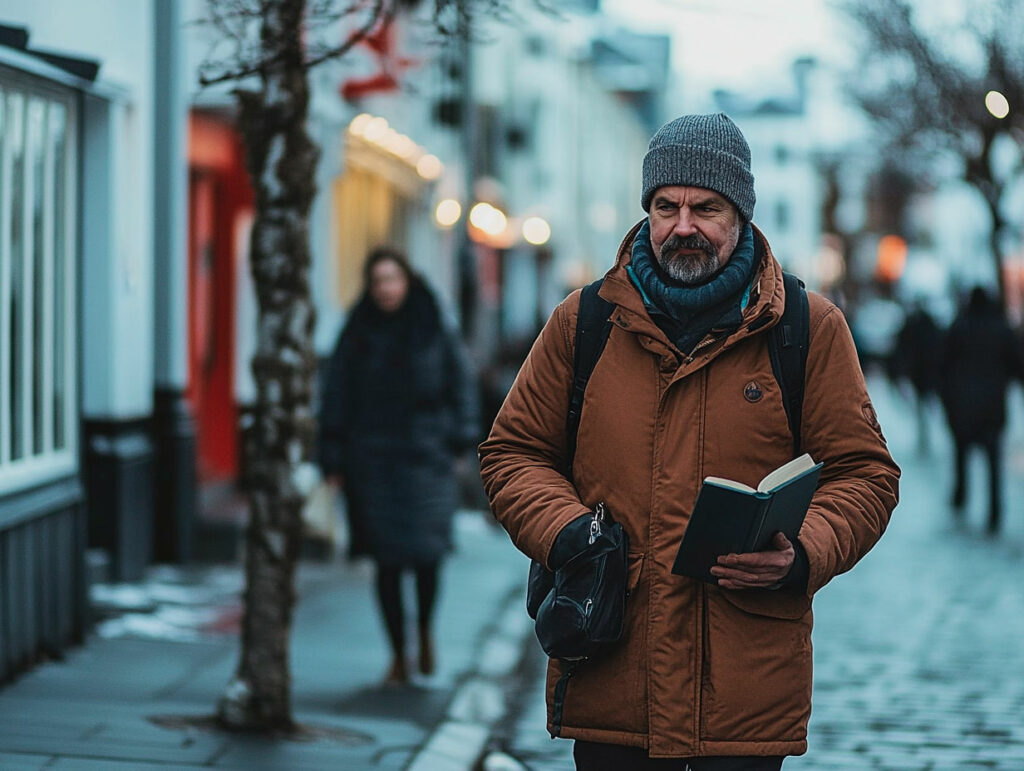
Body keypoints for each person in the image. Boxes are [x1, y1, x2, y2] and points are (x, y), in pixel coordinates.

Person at [479, 113, 900, 769]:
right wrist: (568, 532)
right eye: (666, 205)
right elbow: (512, 454)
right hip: (612, 674)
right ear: (647, 210)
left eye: (706, 207)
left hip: (744, 694)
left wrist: (802, 553)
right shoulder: (585, 320)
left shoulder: (806, 328)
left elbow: (865, 474)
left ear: (741, 214)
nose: (683, 225)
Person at [319, 246, 480, 684]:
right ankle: (397, 653)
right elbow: (336, 393)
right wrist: (331, 454)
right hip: (372, 461)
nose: (385, 289)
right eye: (378, 281)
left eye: (392, 279)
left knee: (428, 557)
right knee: (386, 562)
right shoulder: (357, 332)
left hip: (427, 458)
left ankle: (425, 630)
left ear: (407, 281)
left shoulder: (433, 327)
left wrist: (462, 443)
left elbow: (461, 386)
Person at [938, 286, 1023, 534]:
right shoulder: (1001, 328)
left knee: (961, 454)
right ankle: (995, 511)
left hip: (963, 405)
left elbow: (944, 365)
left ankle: (960, 497)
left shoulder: (959, 327)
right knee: (993, 461)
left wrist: (948, 398)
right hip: (992, 407)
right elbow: (1017, 365)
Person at [890, 299, 943, 455]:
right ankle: (925, 437)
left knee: (922, 406)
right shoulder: (929, 325)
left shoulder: (912, 325)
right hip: (925, 372)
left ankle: (924, 437)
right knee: (925, 405)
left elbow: (902, 347)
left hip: (919, 372)